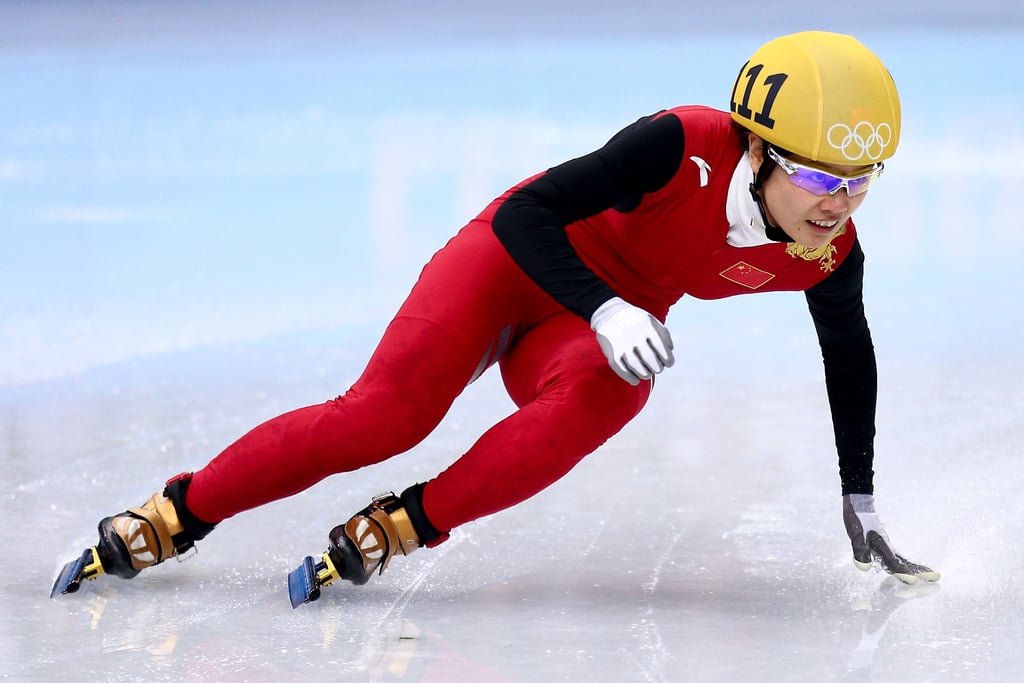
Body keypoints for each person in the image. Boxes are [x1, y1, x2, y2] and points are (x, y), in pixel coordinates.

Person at [52, 30, 939, 603]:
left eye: (863, 181)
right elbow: (527, 214)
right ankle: (180, 512)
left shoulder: (828, 253)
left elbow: (847, 352)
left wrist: (857, 494)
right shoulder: (679, 143)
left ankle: (402, 523)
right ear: (756, 147)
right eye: (822, 178)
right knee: (382, 417)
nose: (841, 204)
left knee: (619, 393)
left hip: (584, 330)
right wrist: (603, 304)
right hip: (510, 266)